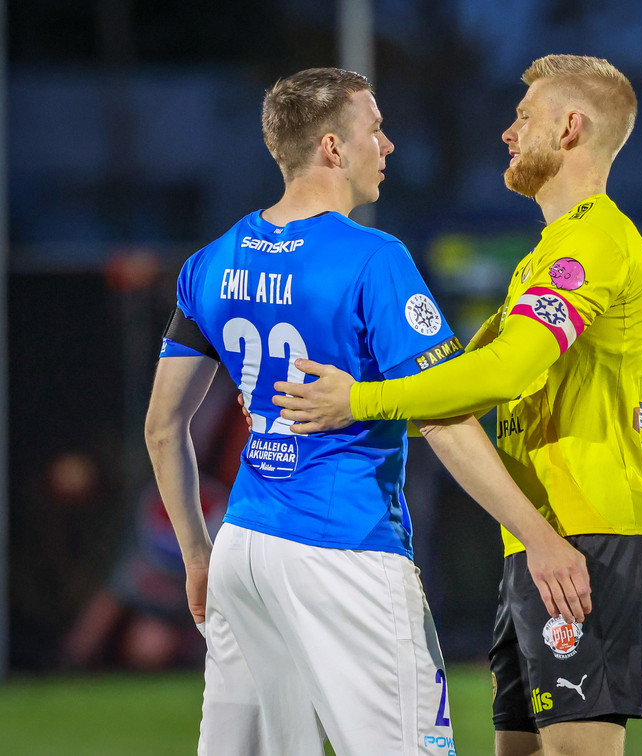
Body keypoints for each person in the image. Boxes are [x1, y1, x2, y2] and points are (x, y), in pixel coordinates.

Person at [144, 67, 590, 756]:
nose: (387, 145)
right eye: (375, 129)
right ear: (332, 147)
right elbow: (441, 415)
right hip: (345, 549)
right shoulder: (372, 259)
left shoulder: (210, 261)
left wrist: (197, 554)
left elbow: (162, 426)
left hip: (243, 549)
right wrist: (538, 535)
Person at [270, 55, 642, 756]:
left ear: (570, 128)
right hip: (541, 535)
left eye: (524, 117)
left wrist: (359, 400)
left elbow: (502, 372)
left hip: (589, 531)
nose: (508, 133)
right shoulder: (548, 252)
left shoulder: (594, 242)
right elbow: (453, 383)